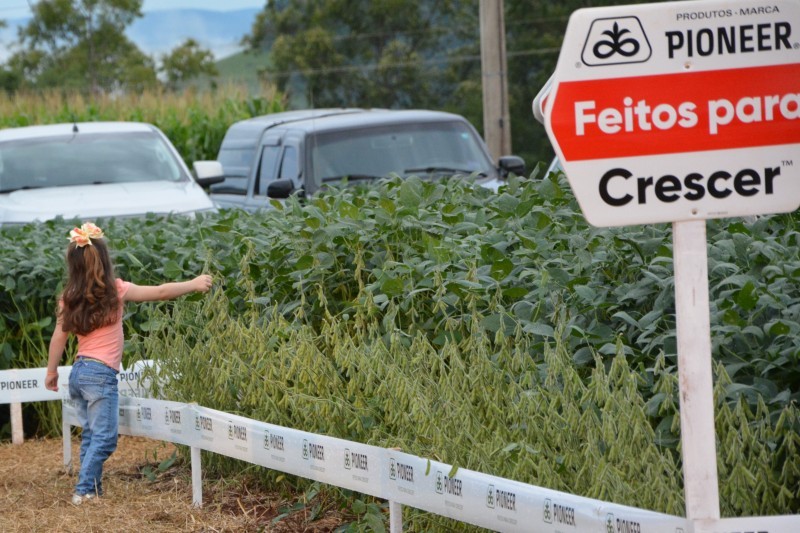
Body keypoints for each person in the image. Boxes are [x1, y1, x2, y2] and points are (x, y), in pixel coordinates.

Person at [45, 222, 212, 505]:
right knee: (106, 438)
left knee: (91, 436)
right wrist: (193, 284)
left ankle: (93, 492)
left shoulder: (69, 298)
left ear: (73, 266)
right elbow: (160, 292)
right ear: (105, 261)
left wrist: (51, 372)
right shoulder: (116, 291)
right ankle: (84, 490)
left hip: (79, 372)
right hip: (100, 374)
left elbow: (58, 338)